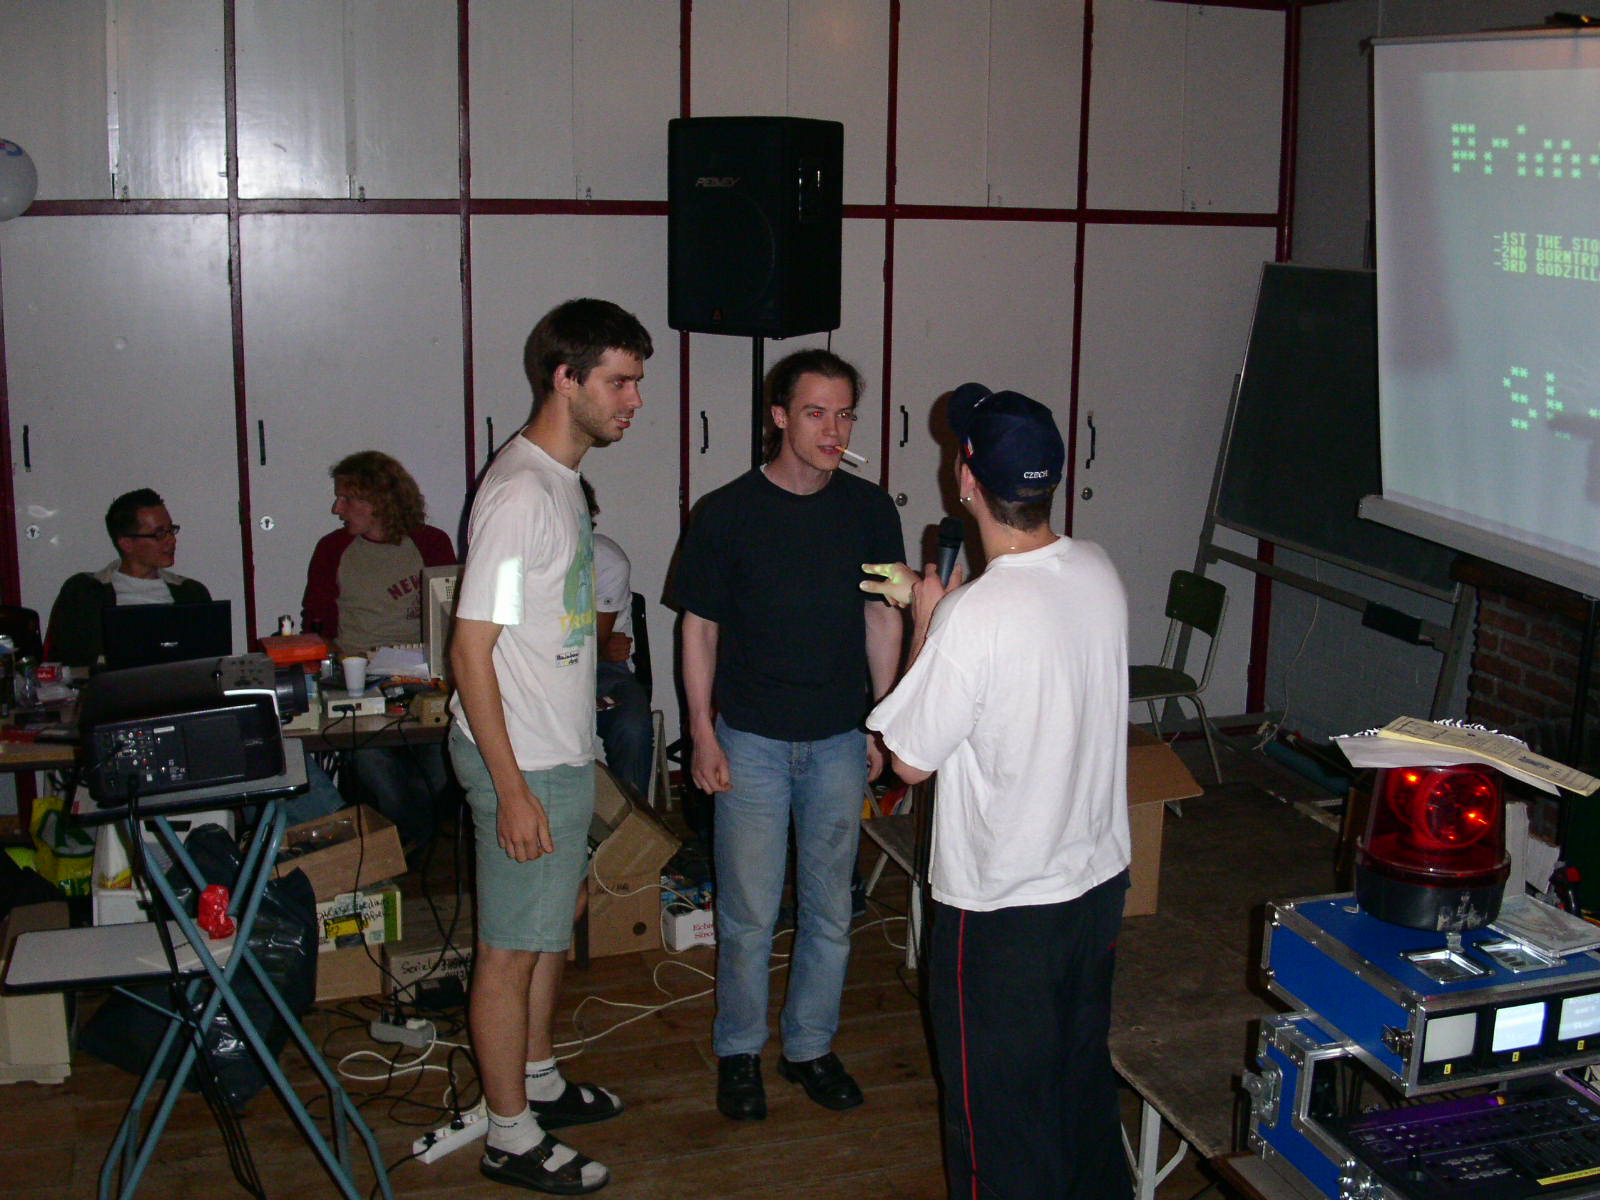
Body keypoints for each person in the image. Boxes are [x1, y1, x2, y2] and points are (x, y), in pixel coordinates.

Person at [864, 384, 1132, 1200]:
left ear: (965, 480)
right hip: (1094, 888)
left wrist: (925, 620)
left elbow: (906, 761)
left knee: (998, 1124)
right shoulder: (1096, 567)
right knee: (1078, 1090)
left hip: (1004, 909)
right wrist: (947, 612)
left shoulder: (972, 618)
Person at [448, 297, 652, 1194]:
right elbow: (470, 649)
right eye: (620, 382)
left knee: (547, 928)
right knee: (508, 953)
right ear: (565, 379)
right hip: (520, 758)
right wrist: (512, 789)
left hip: (556, 748)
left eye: (637, 382)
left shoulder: (560, 480)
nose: (634, 400)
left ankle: (535, 1079)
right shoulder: (519, 495)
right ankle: (509, 1135)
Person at [669, 348, 903, 1122]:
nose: (834, 430)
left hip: (838, 740)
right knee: (748, 915)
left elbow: (881, 617)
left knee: (831, 910)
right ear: (779, 417)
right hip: (751, 742)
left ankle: (808, 1047)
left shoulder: (870, 510)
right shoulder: (727, 512)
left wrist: (882, 720)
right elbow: (699, 628)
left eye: (845, 415)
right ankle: (740, 1051)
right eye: (815, 413)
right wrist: (702, 733)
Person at [300, 451, 456, 850]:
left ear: (380, 501)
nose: (337, 509)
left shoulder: (431, 543)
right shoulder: (333, 549)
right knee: (375, 759)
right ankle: (407, 848)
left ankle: (402, 847)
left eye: (347, 499)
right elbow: (316, 626)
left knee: (438, 761)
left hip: (425, 677)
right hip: (360, 677)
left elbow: (453, 613)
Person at [46, 488, 210, 669]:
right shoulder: (84, 592)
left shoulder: (191, 592)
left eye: (171, 530)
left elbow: (208, 662)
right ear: (127, 543)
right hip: (111, 685)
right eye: (159, 534)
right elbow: (63, 663)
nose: (171, 540)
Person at [582, 479, 653, 800]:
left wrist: (599, 651)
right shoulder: (520, 558)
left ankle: (634, 820)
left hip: (599, 670)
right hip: (537, 671)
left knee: (632, 725)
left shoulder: (606, 560)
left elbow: (596, 647)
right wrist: (600, 649)